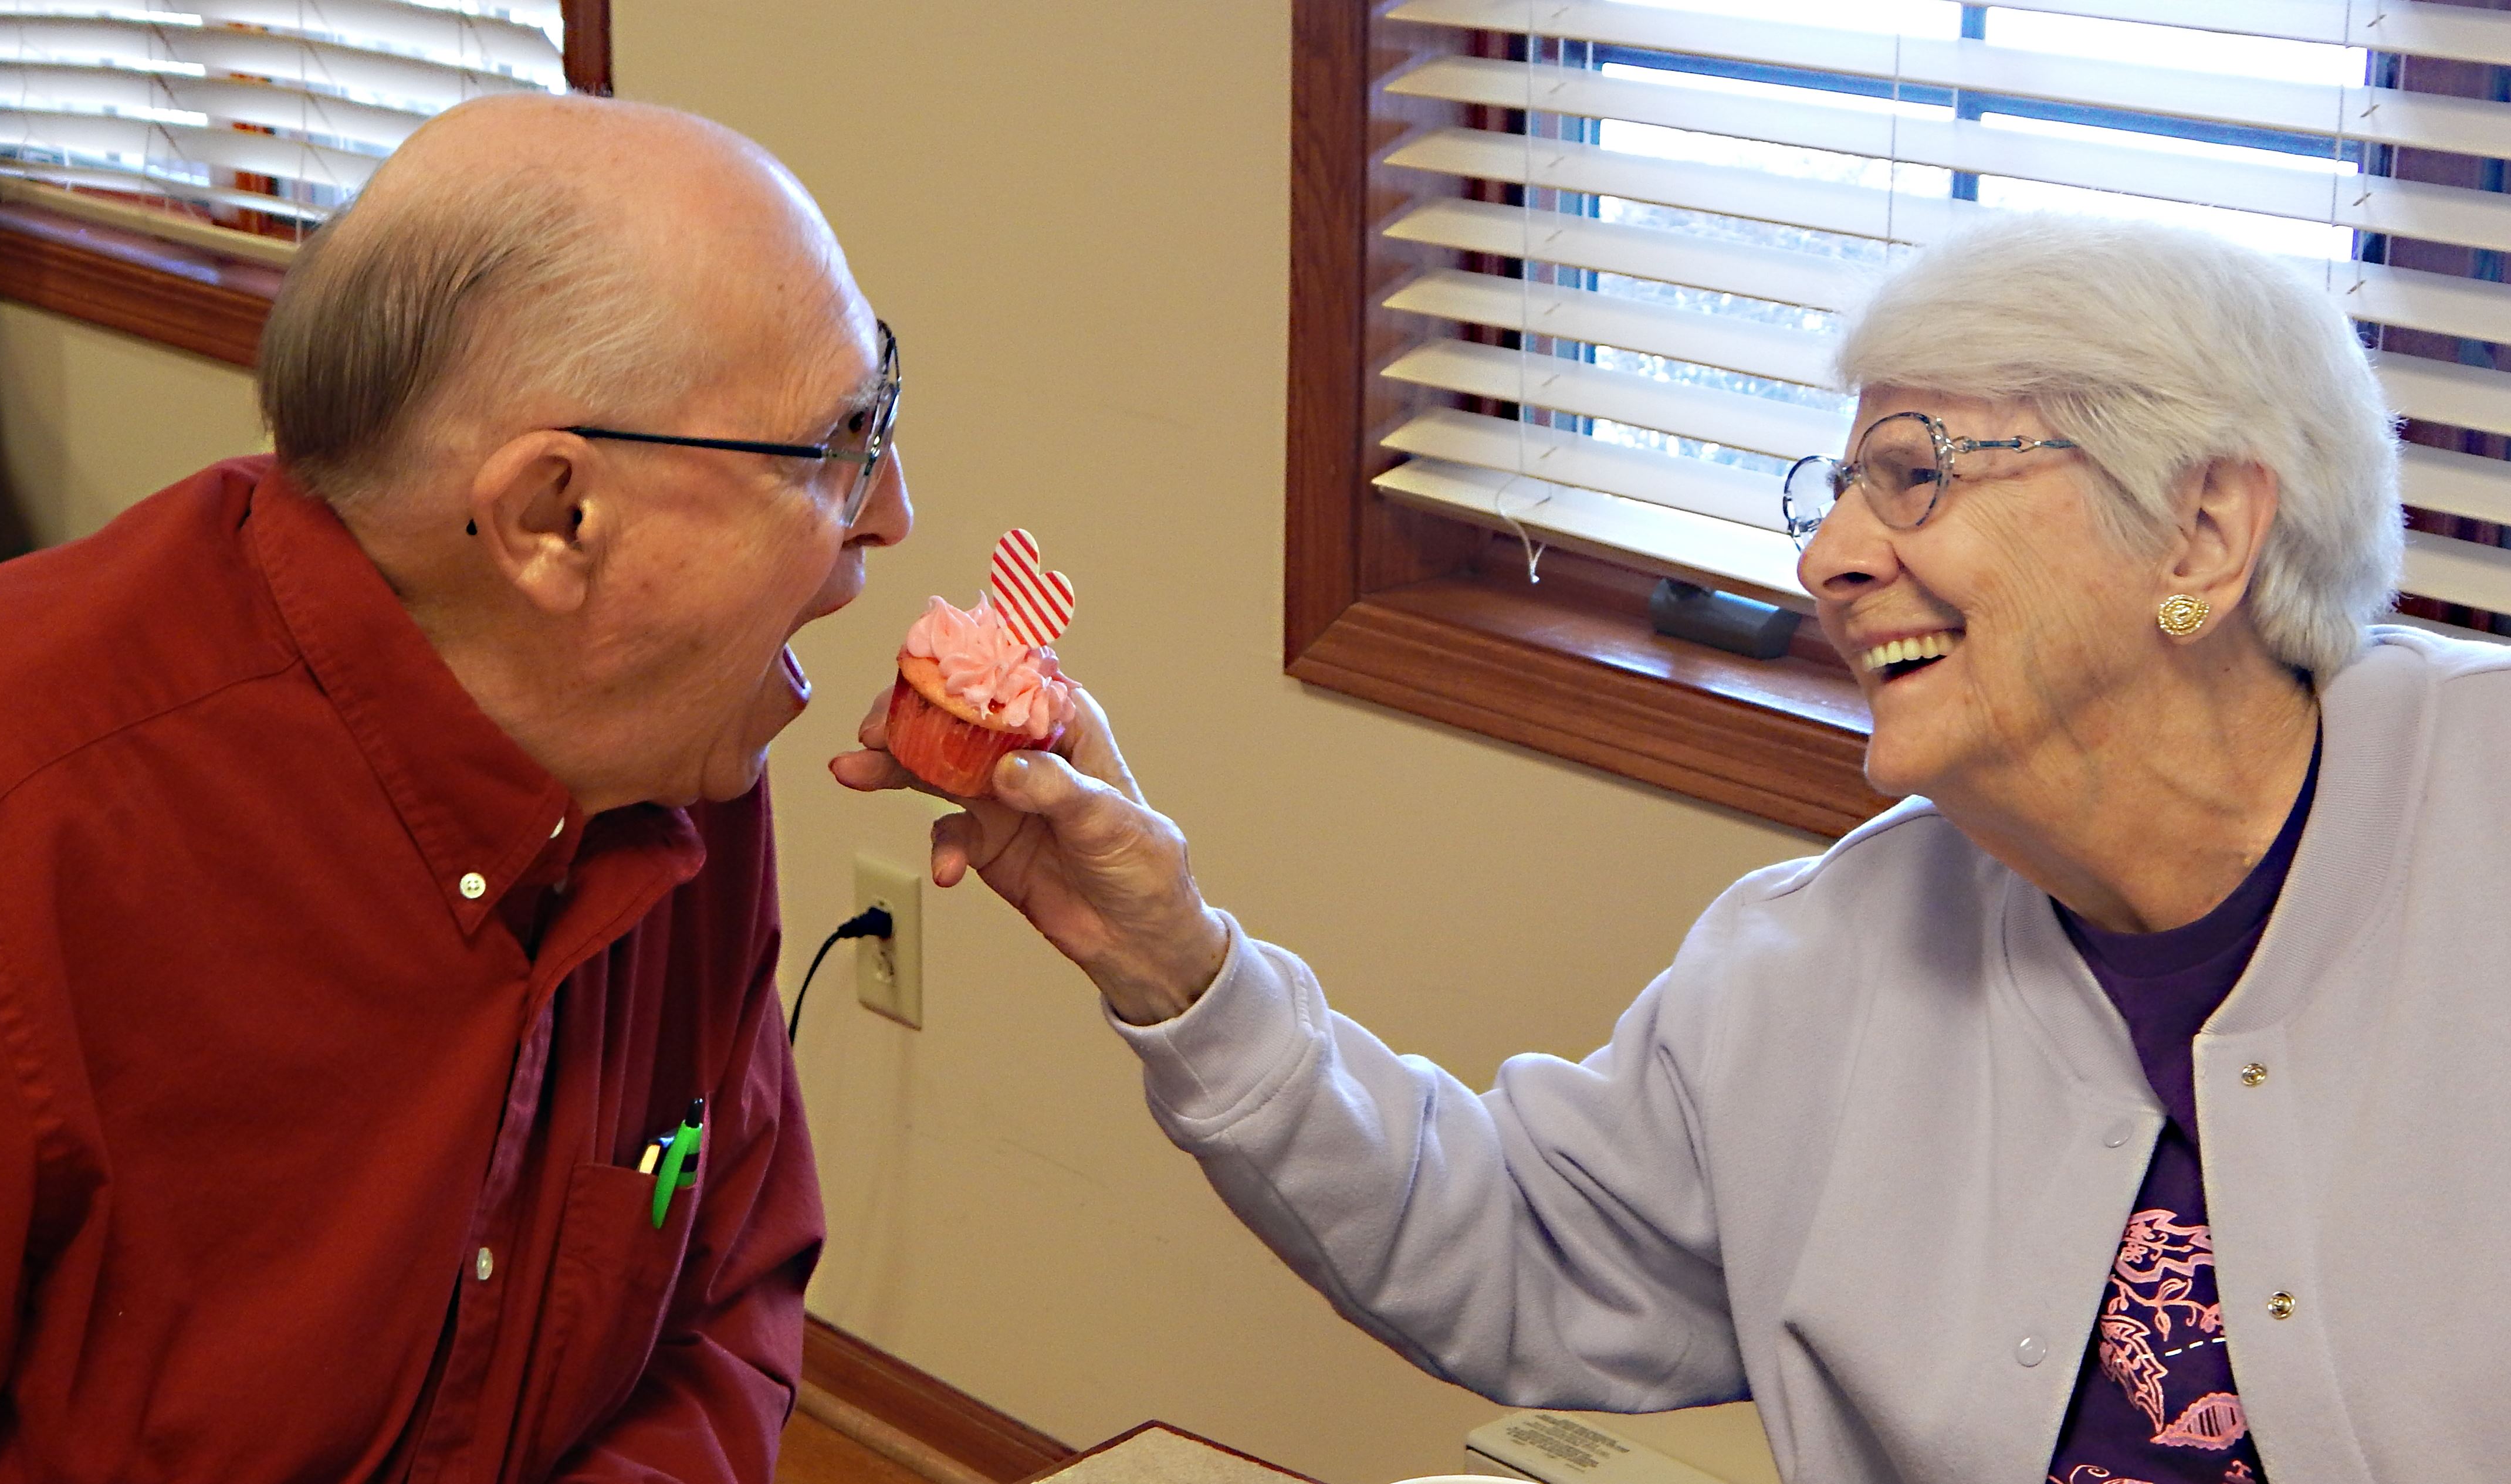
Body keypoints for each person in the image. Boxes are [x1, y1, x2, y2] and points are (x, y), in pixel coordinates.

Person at [834, 215, 2511, 1483]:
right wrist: (1170, 961)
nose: (1834, 560)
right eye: (1836, 489)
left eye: (1919, 475)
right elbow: (1497, 1241)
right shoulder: (1816, 964)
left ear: (2207, 529)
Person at [0, 93, 911, 1481]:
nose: (889, 511)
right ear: (551, 519)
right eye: (836, 446)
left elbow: (723, 1303)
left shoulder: (670, 756)